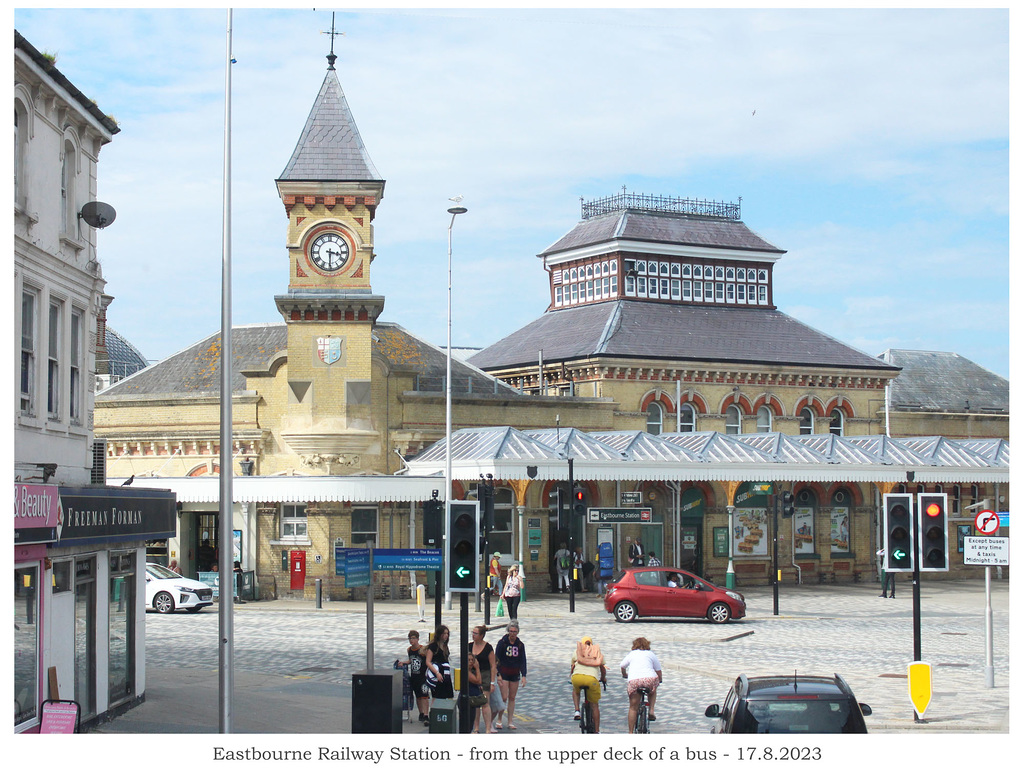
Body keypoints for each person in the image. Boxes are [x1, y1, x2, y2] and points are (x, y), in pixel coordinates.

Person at [620, 636, 662, 734]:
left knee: (633, 707)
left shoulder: (632, 654)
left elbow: (622, 665)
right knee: (653, 689)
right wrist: (659, 680)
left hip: (634, 681)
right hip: (649, 679)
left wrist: (624, 674)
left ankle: (630, 732)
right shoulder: (651, 654)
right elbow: (658, 670)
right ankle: (651, 710)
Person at [493, 622, 527, 731]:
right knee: (504, 697)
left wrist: (524, 675)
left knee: (512, 698)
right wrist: (497, 673)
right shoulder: (502, 643)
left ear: (517, 632)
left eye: (515, 632)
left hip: (515, 673)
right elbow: (496, 659)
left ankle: (510, 721)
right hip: (504, 673)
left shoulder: (520, 645)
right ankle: (499, 719)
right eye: (511, 631)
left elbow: (523, 660)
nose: (512, 634)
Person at [570, 636, 607, 732]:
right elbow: (602, 668)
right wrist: (603, 678)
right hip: (591, 679)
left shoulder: (577, 652)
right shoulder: (597, 652)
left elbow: (573, 666)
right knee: (594, 705)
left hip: (577, 677)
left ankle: (577, 710)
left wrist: (572, 676)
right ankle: (597, 730)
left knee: (575, 690)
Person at [400, 629, 431, 723]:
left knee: (424, 696)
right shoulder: (409, 650)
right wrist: (404, 663)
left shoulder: (423, 650)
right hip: (414, 676)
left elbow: (428, 660)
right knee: (418, 696)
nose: (411, 640)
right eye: (410, 638)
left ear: (417, 639)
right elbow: (411, 660)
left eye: (413, 638)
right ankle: (421, 713)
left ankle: (426, 714)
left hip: (423, 676)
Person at [470, 624, 496, 733]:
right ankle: (476, 728)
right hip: (472, 675)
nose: (473, 635)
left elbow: (493, 665)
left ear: (481, 635)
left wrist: (492, 682)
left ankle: (488, 728)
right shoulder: (469, 646)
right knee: (475, 703)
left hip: (485, 675)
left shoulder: (488, 647)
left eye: (475, 633)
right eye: (472, 633)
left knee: (485, 702)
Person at [425, 625, 454, 701]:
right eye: (444, 634)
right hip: (437, 672)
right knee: (437, 697)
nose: (446, 636)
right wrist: (437, 673)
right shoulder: (433, 646)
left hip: (445, 673)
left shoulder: (445, 646)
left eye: (447, 634)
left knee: (447, 695)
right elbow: (428, 662)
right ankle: (434, 711)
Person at [466, 653, 486, 733]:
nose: (471, 662)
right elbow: (478, 681)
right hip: (469, 700)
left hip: (473, 700)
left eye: (472, 660)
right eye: (468, 660)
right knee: (468, 723)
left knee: (471, 722)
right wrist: (477, 668)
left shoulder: (471, 671)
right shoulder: (467, 673)